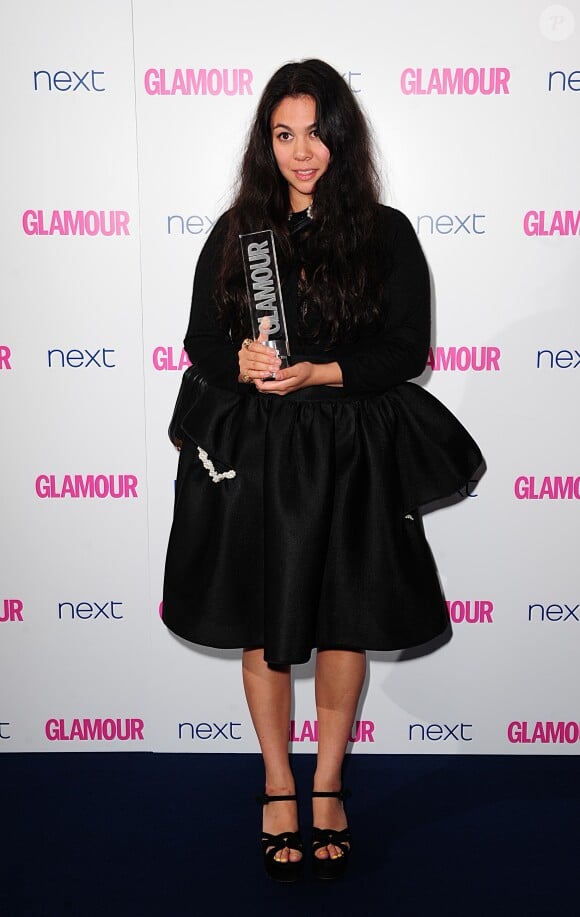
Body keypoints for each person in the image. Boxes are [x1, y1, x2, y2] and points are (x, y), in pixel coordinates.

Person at [163, 59, 482, 882]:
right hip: (259, 448)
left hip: (347, 449)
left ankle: (330, 782)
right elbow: (199, 341)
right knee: (261, 616)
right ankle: (278, 782)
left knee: (346, 614)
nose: (301, 152)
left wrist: (321, 372)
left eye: (316, 133)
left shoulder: (386, 232)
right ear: (265, 142)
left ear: (342, 138)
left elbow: (405, 352)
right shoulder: (237, 231)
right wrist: (239, 358)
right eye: (283, 134)